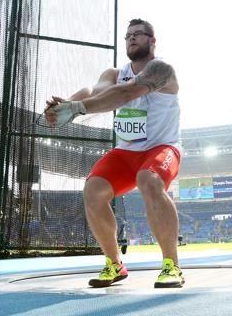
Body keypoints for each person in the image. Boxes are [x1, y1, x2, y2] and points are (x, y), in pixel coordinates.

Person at [45, 18, 183, 288]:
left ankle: (171, 265)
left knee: (149, 181)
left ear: (152, 41)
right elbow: (95, 92)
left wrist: (77, 109)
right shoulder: (113, 73)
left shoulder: (162, 70)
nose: (132, 38)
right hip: (126, 153)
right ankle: (114, 264)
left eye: (139, 34)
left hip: (161, 148)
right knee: (93, 190)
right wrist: (69, 104)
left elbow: (126, 93)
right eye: (128, 35)